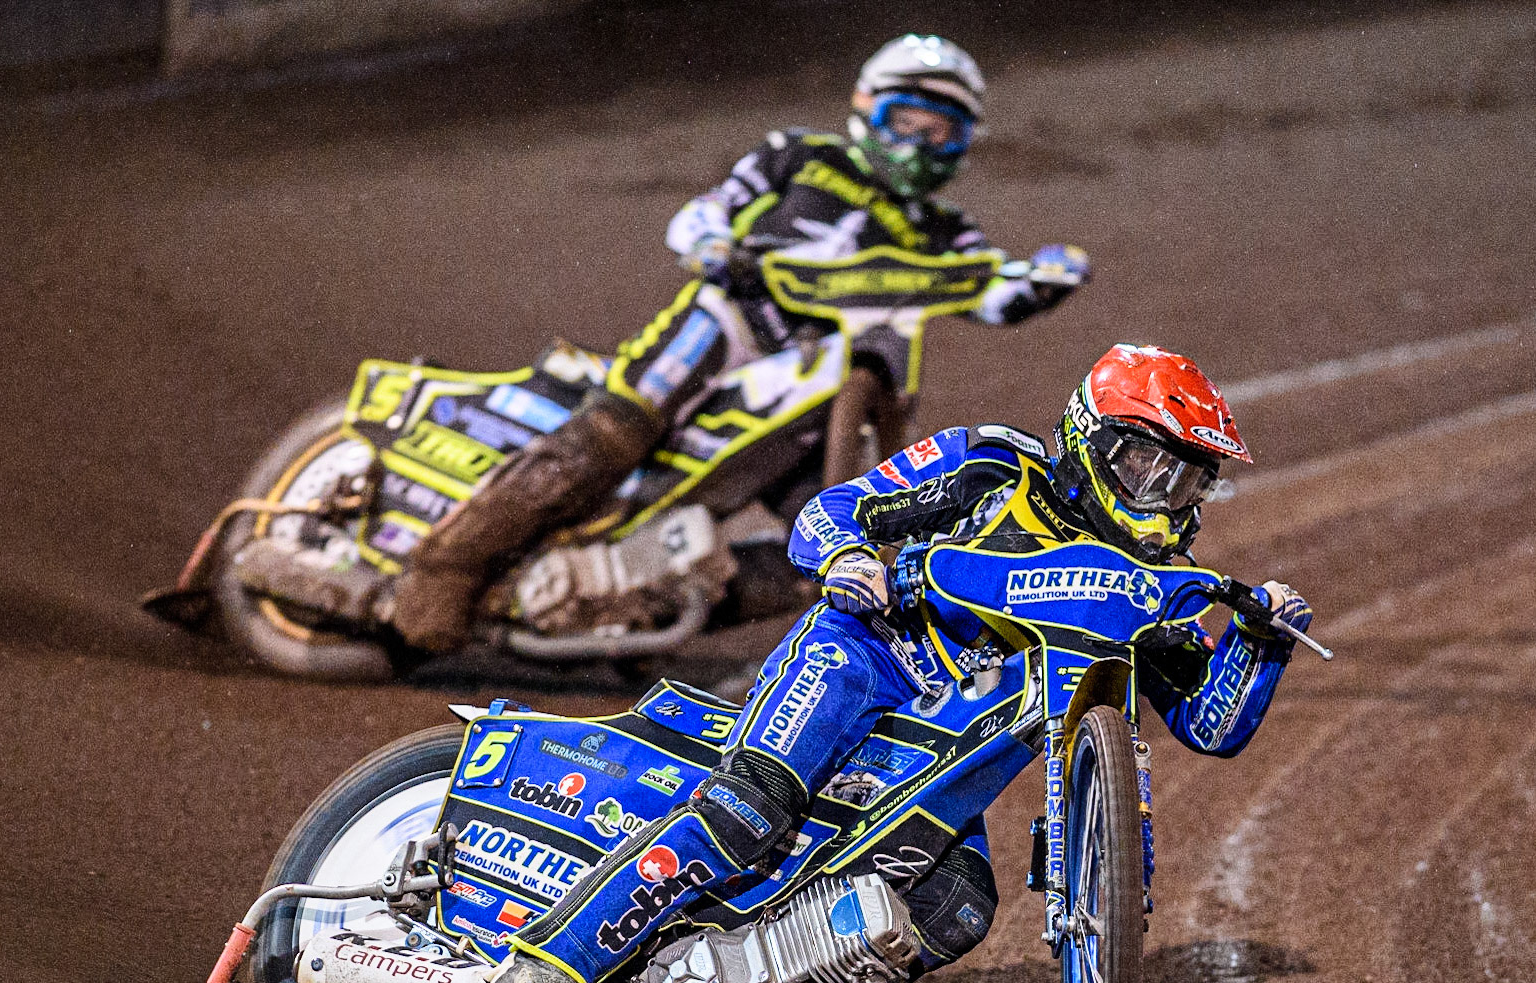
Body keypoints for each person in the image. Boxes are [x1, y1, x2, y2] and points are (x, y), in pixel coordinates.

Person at [480, 343, 1315, 983]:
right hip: (863, 658)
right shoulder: (994, 464)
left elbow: (1210, 723)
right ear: (1090, 438)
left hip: (947, 739)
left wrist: (1263, 641)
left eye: (1187, 481)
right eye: (1148, 466)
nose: (1164, 496)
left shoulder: (1149, 591)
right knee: (749, 808)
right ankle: (548, 969)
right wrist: (848, 557)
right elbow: (834, 509)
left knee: (957, 906)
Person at [390, 33, 1091, 653]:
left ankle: (636, 605)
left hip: (818, 386)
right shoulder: (800, 155)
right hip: (733, 320)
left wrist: (1049, 277)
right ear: (865, 107)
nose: (920, 144)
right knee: (611, 434)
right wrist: (713, 245)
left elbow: (994, 294)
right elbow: (704, 211)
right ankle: (443, 569)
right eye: (906, 120)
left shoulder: (947, 231)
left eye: (943, 132)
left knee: (830, 541)